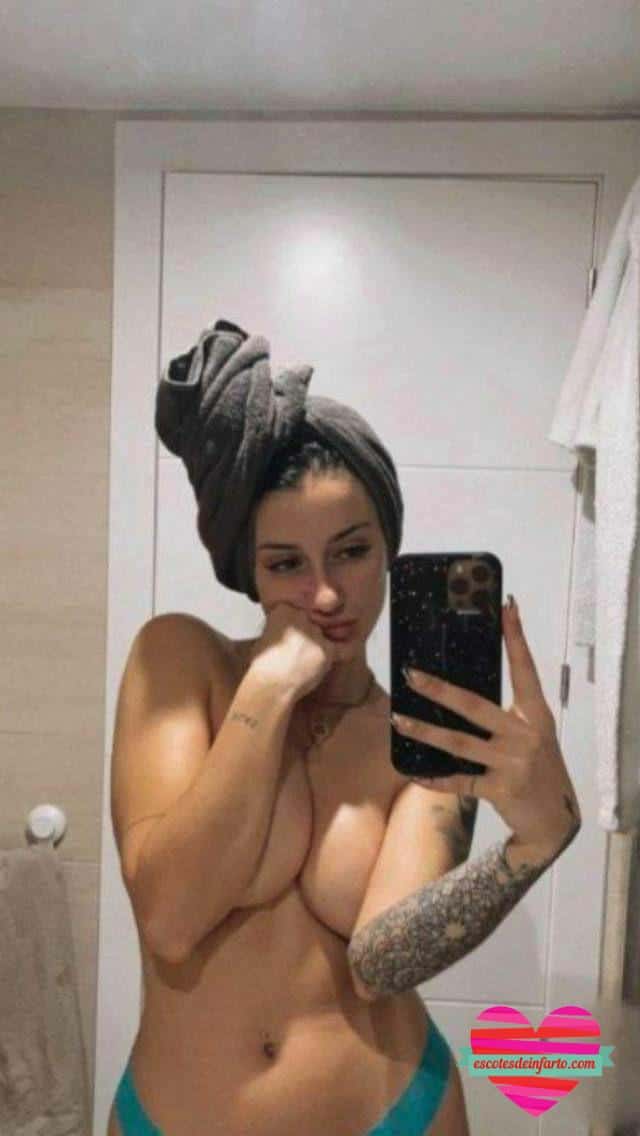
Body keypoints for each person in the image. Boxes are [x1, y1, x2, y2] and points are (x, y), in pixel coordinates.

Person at [107, 320, 581, 1136]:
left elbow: (381, 963)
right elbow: (170, 916)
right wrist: (273, 684)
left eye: (352, 552)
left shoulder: (426, 733)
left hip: (394, 1111)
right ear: (248, 569)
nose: (326, 594)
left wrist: (531, 847)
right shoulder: (181, 661)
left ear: (388, 550)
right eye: (286, 564)